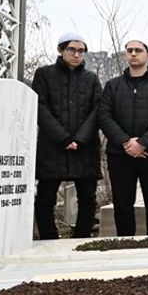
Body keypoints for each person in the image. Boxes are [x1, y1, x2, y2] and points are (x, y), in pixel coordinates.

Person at [98, 39, 148, 236]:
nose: (133, 53)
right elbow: (104, 117)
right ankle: (125, 245)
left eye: (138, 50)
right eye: (129, 50)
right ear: (125, 55)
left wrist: (143, 143)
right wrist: (125, 142)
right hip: (119, 154)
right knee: (122, 205)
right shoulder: (112, 86)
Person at [32, 32, 102, 239]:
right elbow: (39, 107)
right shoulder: (44, 74)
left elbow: (98, 110)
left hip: (84, 146)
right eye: (72, 49)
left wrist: (79, 138)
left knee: (88, 198)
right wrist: (63, 138)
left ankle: (81, 237)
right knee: (45, 197)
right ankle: (49, 239)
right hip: (52, 146)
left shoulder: (91, 79)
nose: (77, 54)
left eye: (81, 51)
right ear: (61, 50)